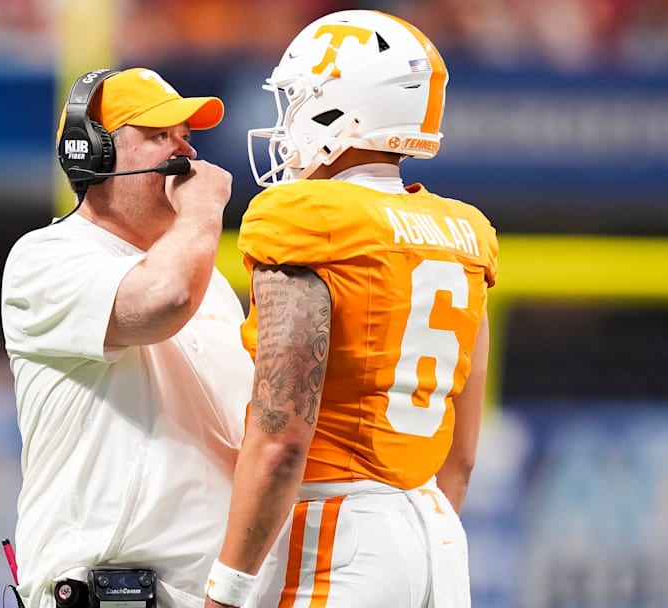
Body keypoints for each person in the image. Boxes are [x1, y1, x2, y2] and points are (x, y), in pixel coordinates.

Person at [203, 10, 498, 608]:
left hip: (336, 531)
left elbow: (282, 436)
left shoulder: (306, 218)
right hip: (434, 539)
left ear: (339, 111)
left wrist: (226, 590)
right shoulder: (466, 232)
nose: (286, 122)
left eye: (297, 101)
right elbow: (461, 456)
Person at [1, 67, 254, 608]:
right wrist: (206, 208)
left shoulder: (208, 284)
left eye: (186, 133)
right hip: (112, 592)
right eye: (159, 135)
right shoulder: (45, 258)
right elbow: (161, 299)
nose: (183, 150)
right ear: (90, 153)